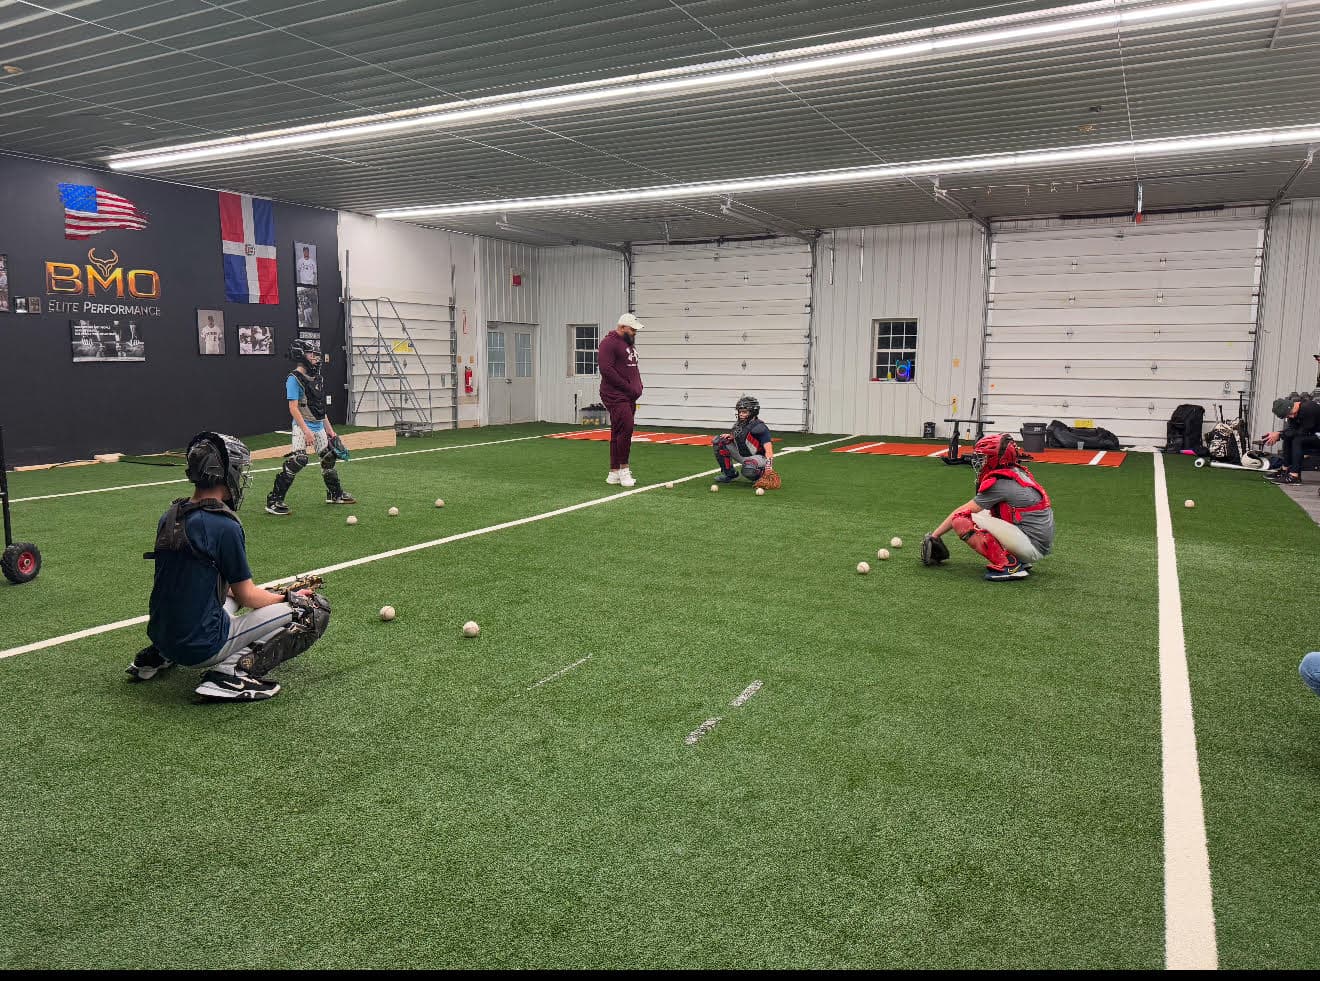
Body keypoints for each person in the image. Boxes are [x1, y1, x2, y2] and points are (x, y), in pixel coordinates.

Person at [127, 432, 330, 701]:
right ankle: (231, 675)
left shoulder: (171, 514)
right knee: (312, 610)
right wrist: (286, 597)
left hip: (163, 635)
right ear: (226, 472)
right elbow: (247, 596)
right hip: (199, 647)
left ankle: (158, 655)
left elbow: (196, 582)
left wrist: (265, 595)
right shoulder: (224, 524)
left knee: (220, 596)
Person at [922, 433, 1055, 581]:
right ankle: (1018, 559)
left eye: (985, 457)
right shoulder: (1017, 472)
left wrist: (935, 535)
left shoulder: (999, 483)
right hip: (1035, 541)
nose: (981, 461)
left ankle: (1010, 565)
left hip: (1031, 546)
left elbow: (961, 511)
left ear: (995, 458)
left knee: (960, 520)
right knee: (986, 512)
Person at [266, 338, 356, 514]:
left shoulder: (317, 378)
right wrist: (306, 432)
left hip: (318, 426)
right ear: (301, 355)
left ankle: (334, 494)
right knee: (298, 460)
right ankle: (274, 501)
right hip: (302, 427)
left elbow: (320, 408)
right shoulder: (293, 379)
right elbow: (293, 408)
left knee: (329, 458)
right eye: (311, 354)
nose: (315, 357)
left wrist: (331, 431)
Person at [598, 312, 645, 487]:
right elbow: (606, 370)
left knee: (618, 431)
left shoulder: (627, 344)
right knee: (626, 428)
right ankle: (624, 469)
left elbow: (633, 368)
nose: (634, 333)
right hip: (614, 395)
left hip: (628, 395)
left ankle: (614, 472)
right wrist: (628, 387)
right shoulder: (608, 344)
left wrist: (638, 386)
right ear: (622, 327)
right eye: (632, 329)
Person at [712, 396, 776, 484]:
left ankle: (762, 475)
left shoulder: (760, 427)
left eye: (744, 412)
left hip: (759, 458)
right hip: (744, 454)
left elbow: (769, 450)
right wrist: (731, 436)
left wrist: (769, 468)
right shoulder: (739, 424)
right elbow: (742, 436)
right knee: (719, 441)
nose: (741, 414)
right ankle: (730, 474)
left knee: (748, 469)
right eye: (740, 411)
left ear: (753, 412)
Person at [1263, 395, 1320, 485]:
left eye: (1291, 413)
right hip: (1314, 436)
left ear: (1291, 405)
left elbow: (1302, 432)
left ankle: (1294, 476)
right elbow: (1291, 431)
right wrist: (1278, 434)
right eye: (1288, 415)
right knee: (1289, 437)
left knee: (1298, 440)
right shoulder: (1293, 413)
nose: (1292, 416)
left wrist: (1280, 434)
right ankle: (1285, 469)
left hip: (1317, 436)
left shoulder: (1309, 408)